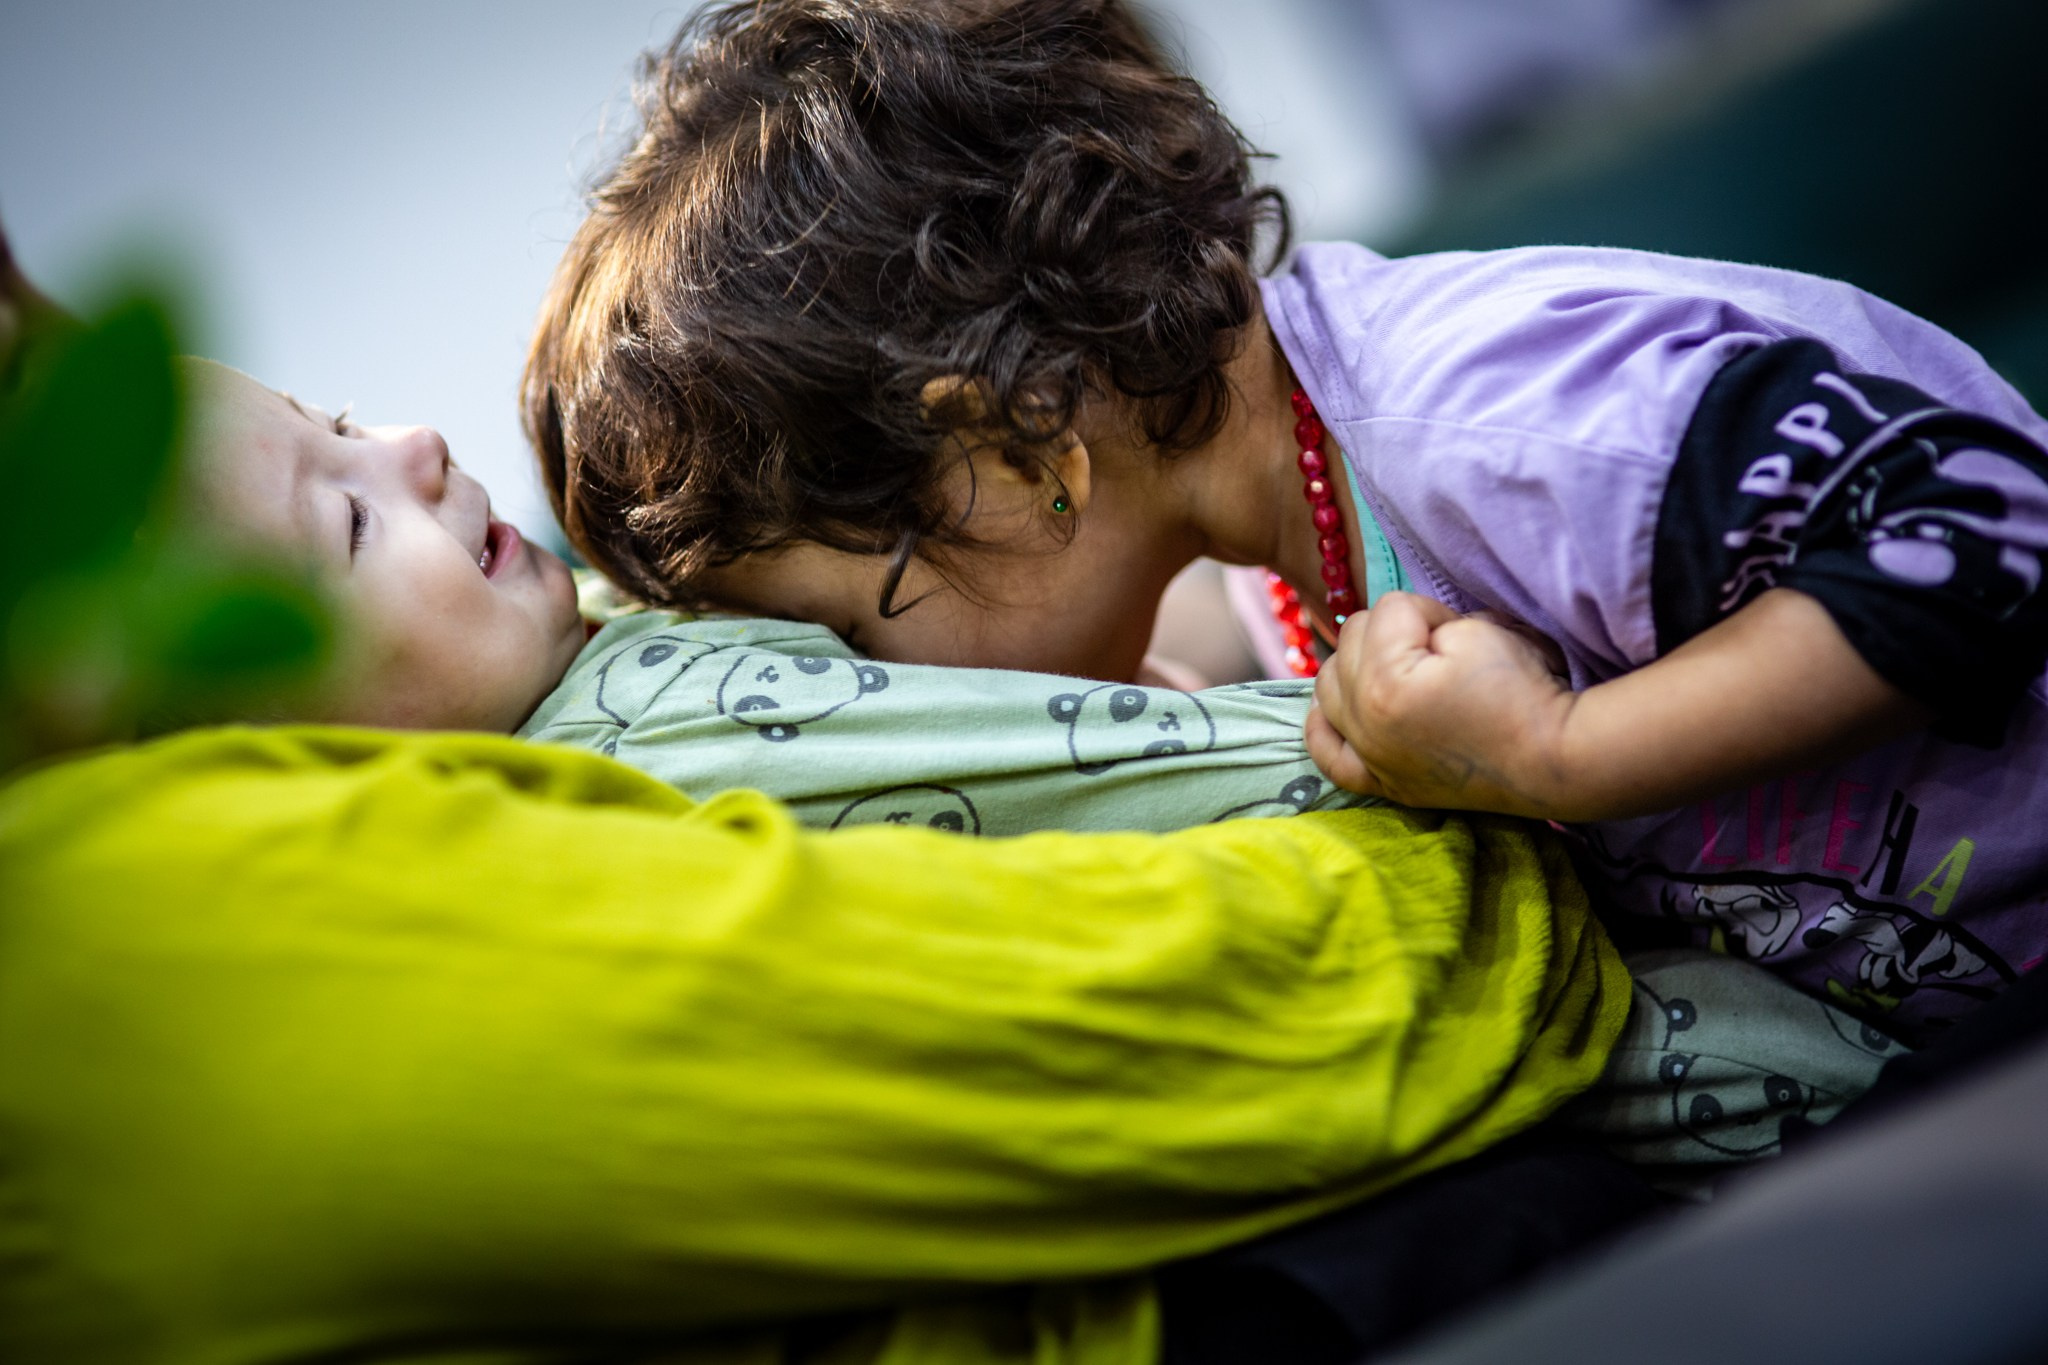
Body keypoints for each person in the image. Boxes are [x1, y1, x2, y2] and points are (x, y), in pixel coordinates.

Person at [521, 0, 2048, 1042]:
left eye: (857, 630)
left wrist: (1553, 762)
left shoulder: (1470, 417)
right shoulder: (1270, 517)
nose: (893, 690)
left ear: (1009, 440)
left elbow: (1981, 532)